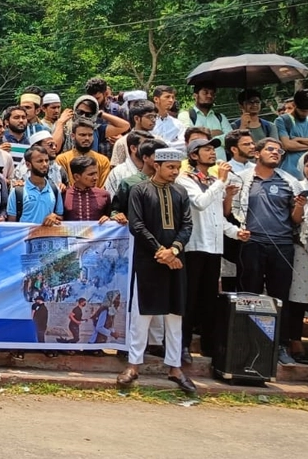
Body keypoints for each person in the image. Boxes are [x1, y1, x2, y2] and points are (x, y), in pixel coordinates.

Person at [119, 148, 197, 395]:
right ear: (157, 165)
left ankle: (175, 368)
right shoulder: (139, 191)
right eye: (171, 167)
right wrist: (160, 251)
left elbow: (187, 224)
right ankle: (133, 366)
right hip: (148, 260)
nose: (175, 172)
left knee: (175, 315)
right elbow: (137, 225)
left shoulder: (181, 191)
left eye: (178, 167)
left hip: (175, 260)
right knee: (142, 316)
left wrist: (173, 251)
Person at [228, 138, 305, 365]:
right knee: (249, 294)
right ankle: (246, 344)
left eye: (279, 150)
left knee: (280, 297)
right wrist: (229, 197)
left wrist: (299, 206)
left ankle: (279, 346)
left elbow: (295, 220)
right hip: (251, 244)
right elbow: (229, 213)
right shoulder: (243, 179)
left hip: (282, 245)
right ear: (257, 153)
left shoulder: (289, 182)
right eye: (270, 149)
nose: (276, 153)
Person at [178, 137, 245, 361]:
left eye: (213, 149)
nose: (212, 153)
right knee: (189, 298)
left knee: (209, 298)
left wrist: (236, 233)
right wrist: (221, 183)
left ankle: (209, 345)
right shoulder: (186, 179)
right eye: (206, 149)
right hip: (195, 245)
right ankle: (182, 345)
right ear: (194, 155)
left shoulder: (214, 179)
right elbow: (200, 202)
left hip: (214, 246)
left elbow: (218, 216)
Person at [7, 146, 63, 225]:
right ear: (28, 165)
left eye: (46, 161)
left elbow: (60, 216)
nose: (45, 164)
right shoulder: (17, 192)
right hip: (26, 237)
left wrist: (54, 217)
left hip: (48, 236)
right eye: (40, 161)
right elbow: (11, 223)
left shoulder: (54, 189)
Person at [56, 119, 112, 188]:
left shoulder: (103, 161)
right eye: (82, 135)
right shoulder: (62, 159)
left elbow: (104, 188)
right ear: (73, 136)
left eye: (90, 135)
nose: (87, 138)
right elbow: (62, 185)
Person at [63, 155, 112, 222]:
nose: (96, 178)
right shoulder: (64, 195)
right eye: (91, 174)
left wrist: (108, 219)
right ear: (77, 177)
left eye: (96, 173)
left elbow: (110, 218)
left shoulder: (104, 195)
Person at [110, 101, 158, 166]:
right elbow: (115, 168)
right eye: (150, 116)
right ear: (137, 118)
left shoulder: (158, 140)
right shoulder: (122, 142)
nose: (154, 120)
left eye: (155, 116)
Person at [274, 89, 308, 180]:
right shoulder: (282, 120)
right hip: (291, 173)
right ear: (295, 105)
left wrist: (297, 139)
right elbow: (287, 145)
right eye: (303, 110)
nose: (305, 113)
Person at [150, 85, 185, 150]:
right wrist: (173, 144)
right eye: (167, 97)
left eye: (173, 97)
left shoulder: (178, 124)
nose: (171, 100)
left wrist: (163, 144)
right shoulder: (148, 122)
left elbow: (183, 144)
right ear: (156, 99)